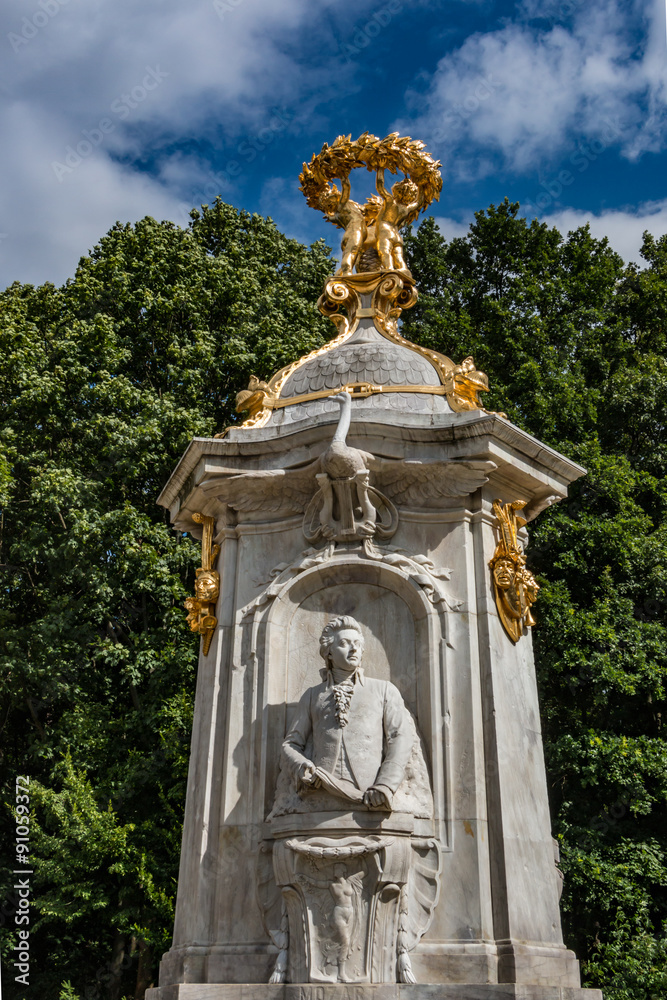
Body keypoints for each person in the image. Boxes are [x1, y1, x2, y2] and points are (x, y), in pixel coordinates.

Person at [281, 615, 414, 811]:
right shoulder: (312, 695)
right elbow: (291, 744)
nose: (353, 649)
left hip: (370, 792)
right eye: (344, 643)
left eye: (357, 644)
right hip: (322, 793)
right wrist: (302, 766)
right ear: (329, 653)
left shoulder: (384, 690)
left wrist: (385, 785)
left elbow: (400, 738)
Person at [374, 168, 422, 273]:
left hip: (385, 231)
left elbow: (380, 187)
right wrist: (422, 184)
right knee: (398, 257)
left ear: (398, 189)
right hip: (396, 235)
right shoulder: (407, 208)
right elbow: (419, 202)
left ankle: (389, 271)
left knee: (384, 252)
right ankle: (405, 272)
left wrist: (380, 169)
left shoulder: (390, 201)